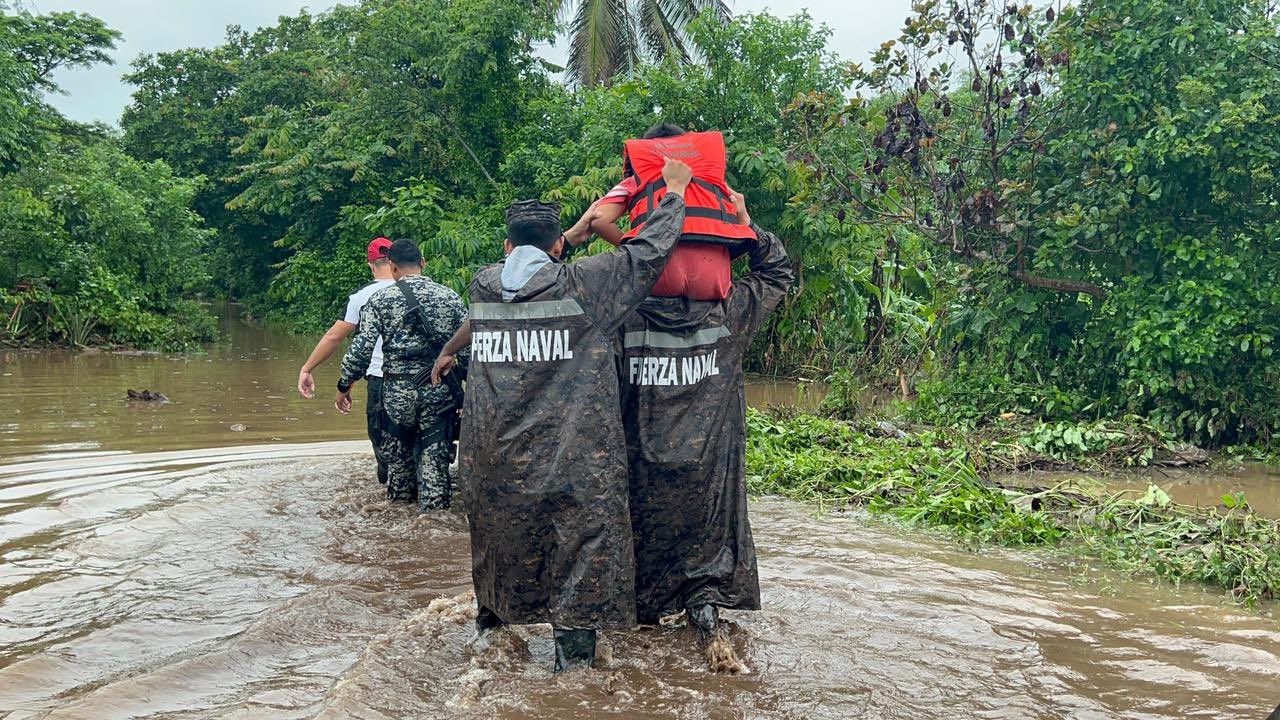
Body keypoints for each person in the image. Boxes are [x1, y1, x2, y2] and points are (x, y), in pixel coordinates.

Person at [438, 158, 692, 673]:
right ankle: (572, 680)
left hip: (493, 462)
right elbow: (647, 254)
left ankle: (490, 646)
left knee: (499, 551)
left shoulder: (483, 284)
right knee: (581, 559)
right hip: (570, 464)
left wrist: (564, 241)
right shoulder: (586, 287)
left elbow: (527, 269)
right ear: (558, 247)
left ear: (507, 247)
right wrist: (674, 194)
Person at [620, 190, 793, 674]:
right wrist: (744, 219)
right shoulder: (729, 313)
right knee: (706, 571)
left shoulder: (623, 317)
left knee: (641, 596)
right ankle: (708, 621)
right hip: (708, 477)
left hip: (643, 477)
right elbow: (777, 271)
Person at [335, 239, 467, 511]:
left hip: (397, 398)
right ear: (423, 263)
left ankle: (398, 515)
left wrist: (344, 384)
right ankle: (433, 521)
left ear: (392, 267)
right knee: (435, 465)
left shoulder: (379, 300)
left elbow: (361, 351)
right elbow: (467, 351)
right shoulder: (450, 297)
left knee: (399, 467)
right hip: (438, 393)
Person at [580, 122, 755, 301]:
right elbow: (737, 227)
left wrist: (638, 249)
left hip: (657, 277)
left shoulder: (636, 180)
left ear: (647, 151)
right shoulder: (714, 182)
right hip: (713, 280)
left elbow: (598, 220)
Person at [297, 237, 396, 484]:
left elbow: (335, 338)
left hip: (380, 381)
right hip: (425, 380)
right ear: (396, 262)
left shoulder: (361, 297)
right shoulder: (421, 291)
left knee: (385, 451)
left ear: (371, 264)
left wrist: (307, 369)